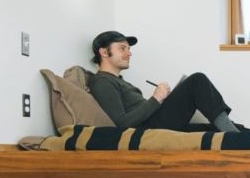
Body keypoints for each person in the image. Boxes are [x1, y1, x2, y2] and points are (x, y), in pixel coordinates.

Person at [88, 31, 240, 132]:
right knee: (197, 80)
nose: (129, 53)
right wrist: (156, 99)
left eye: (128, 49)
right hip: (148, 129)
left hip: (155, 120)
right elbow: (122, 124)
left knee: (212, 129)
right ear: (103, 52)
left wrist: (162, 100)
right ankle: (235, 136)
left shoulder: (118, 81)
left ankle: (241, 134)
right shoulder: (102, 81)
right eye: (122, 48)